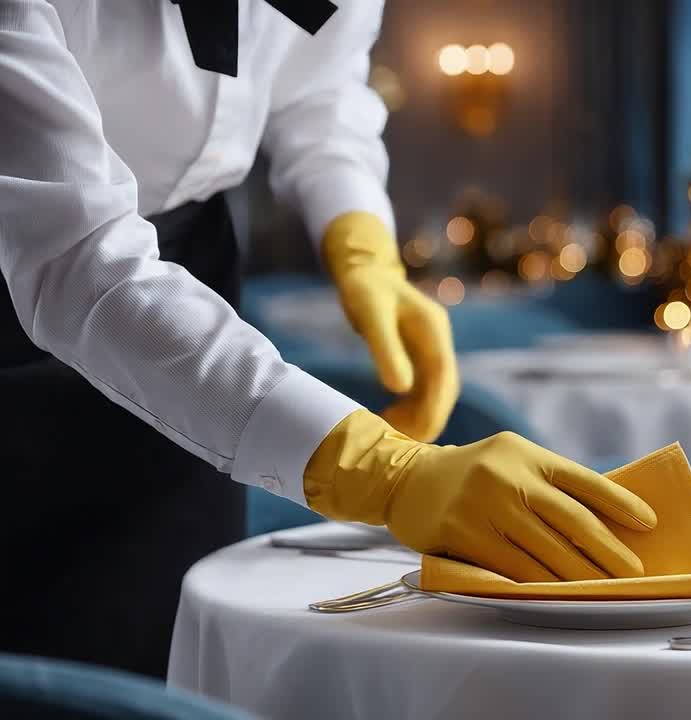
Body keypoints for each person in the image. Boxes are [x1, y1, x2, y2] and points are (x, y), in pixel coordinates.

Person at [0, 0, 655, 678]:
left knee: (166, 638)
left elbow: (320, 91)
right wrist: (377, 469)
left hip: (192, 274)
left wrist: (360, 240)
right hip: (31, 269)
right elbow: (77, 258)